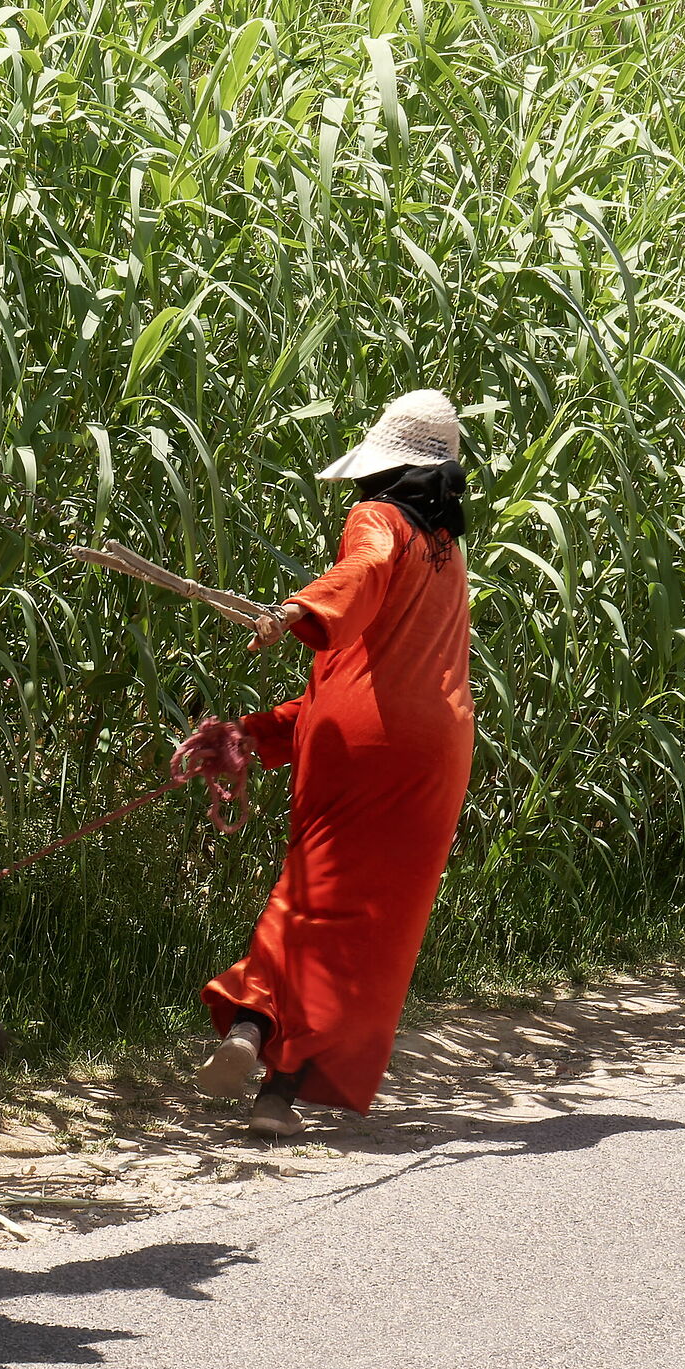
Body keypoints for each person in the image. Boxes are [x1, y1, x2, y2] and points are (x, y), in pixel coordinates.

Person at [193, 390, 476, 1138]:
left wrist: (294, 612)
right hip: (438, 755)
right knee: (367, 925)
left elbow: (362, 575)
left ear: (382, 468)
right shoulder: (450, 555)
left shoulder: (378, 520)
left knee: (311, 892)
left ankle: (252, 1023)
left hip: (363, 749)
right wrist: (258, 733)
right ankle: (278, 1097)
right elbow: (357, 678)